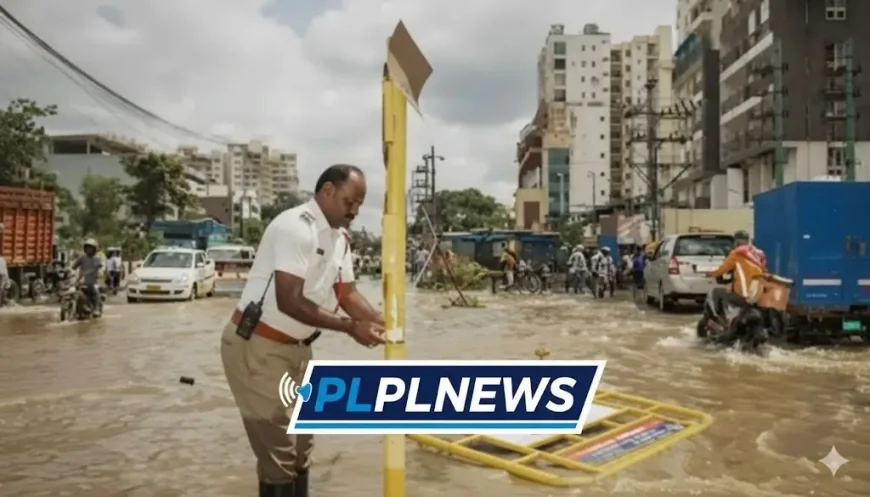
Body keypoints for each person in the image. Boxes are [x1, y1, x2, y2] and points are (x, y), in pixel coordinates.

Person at [221, 164, 385, 497]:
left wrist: (384, 324)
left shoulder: (340, 239)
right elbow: (290, 301)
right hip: (259, 346)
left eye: (359, 204)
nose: (354, 210)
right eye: (349, 201)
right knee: (278, 455)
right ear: (327, 191)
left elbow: (347, 294)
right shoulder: (296, 228)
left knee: (301, 449)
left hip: (299, 350)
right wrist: (352, 328)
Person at [705, 230, 767, 320]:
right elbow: (763, 269)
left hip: (744, 294)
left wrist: (709, 274)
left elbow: (721, 270)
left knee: (715, 291)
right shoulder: (759, 253)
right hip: (757, 294)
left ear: (736, 242)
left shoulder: (737, 253)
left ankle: (716, 318)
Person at [71, 238, 103, 315]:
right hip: (82, 281)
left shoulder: (97, 258)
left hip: (93, 281)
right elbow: (73, 267)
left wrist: (92, 270)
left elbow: (99, 266)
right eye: (87, 247)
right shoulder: (82, 257)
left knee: (95, 292)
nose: (89, 249)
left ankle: (96, 308)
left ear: (94, 249)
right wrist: (71, 272)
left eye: (91, 248)